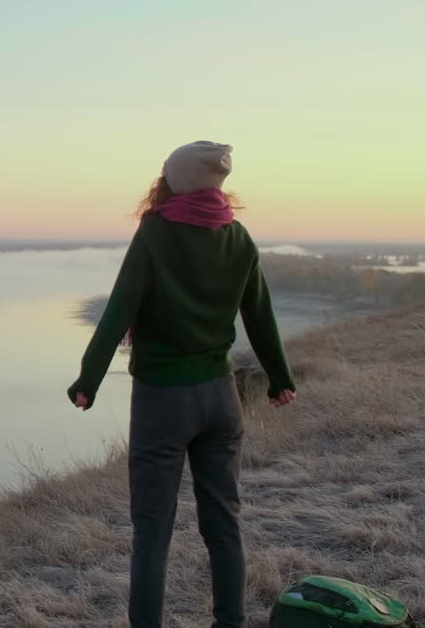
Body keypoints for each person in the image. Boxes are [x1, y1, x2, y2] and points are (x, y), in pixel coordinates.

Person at [66, 141, 297, 628]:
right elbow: (259, 314)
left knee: (152, 531)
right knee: (224, 522)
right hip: (221, 397)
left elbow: (122, 306)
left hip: (162, 401)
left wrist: (89, 377)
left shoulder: (156, 231)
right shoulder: (238, 237)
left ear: (174, 181)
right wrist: (279, 378)